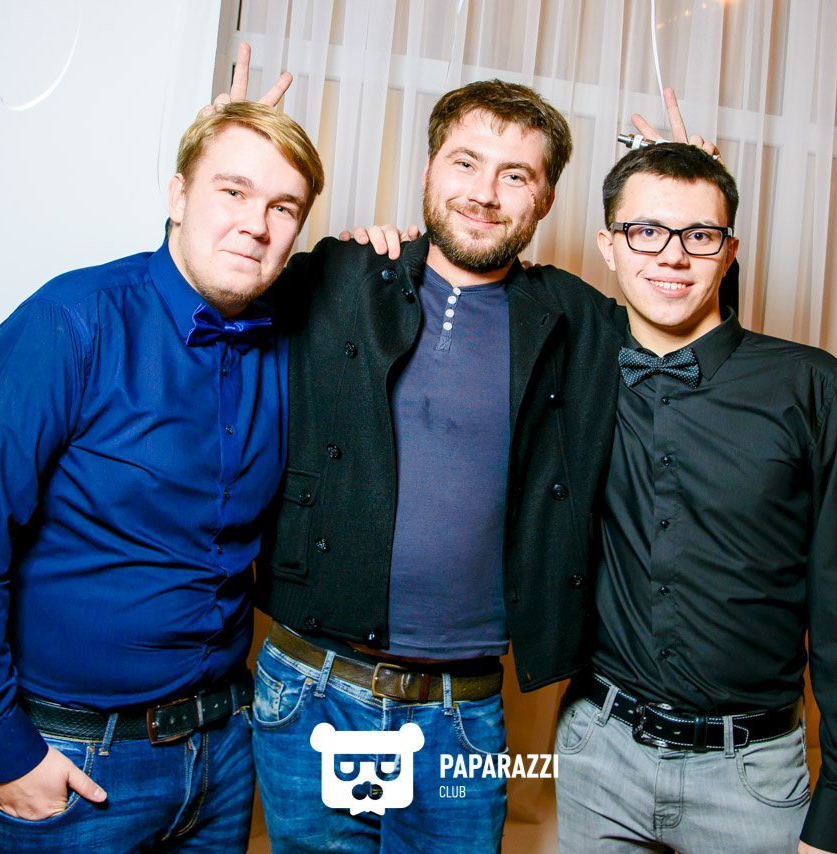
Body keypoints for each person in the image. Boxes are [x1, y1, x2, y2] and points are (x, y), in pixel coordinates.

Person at [0, 87, 324, 850]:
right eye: (232, 191)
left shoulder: (289, 343)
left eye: (283, 206)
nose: (256, 224)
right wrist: (1, 745)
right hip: (70, 757)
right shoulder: (72, 324)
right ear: (178, 195)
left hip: (223, 758)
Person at [244, 78, 630, 851]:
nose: (483, 193)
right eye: (465, 163)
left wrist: (681, 200)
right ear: (427, 170)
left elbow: (692, 355)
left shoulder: (577, 322)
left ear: (546, 198)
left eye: (514, 175)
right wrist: (235, 155)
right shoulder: (342, 273)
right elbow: (209, 297)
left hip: (463, 714)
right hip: (313, 692)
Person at [554, 142, 837, 854]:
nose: (672, 256)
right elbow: (476, 264)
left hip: (752, 774)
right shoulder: (573, 363)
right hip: (598, 751)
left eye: (699, 235)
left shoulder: (813, 387)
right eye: (646, 231)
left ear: (729, 251)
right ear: (608, 247)